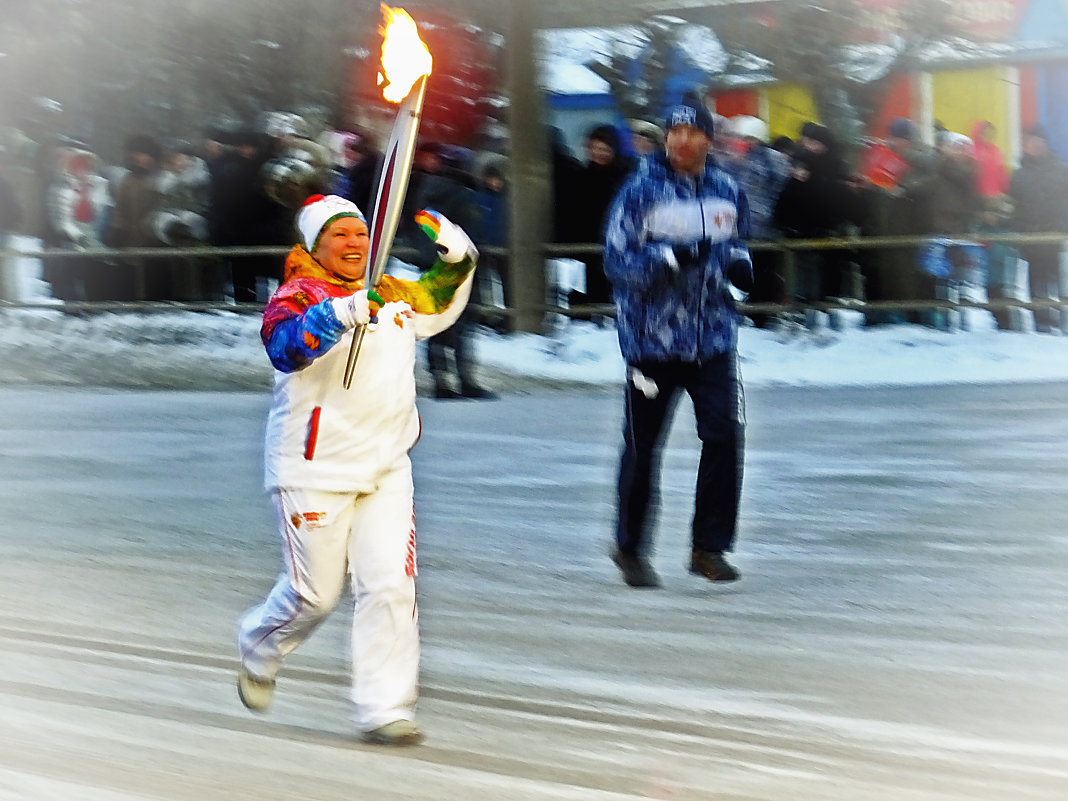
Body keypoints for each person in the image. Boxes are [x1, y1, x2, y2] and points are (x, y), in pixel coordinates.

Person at [236, 193, 479, 746]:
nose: (353, 243)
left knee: (391, 584)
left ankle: (383, 707)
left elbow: (437, 303)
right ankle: (259, 644)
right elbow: (285, 346)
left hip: (387, 466)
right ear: (316, 245)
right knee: (314, 596)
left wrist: (458, 259)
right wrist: (342, 311)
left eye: (360, 233)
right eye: (339, 235)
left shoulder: (390, 294)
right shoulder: (298, 294)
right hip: (312, 468)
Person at [603, 94, 753, 588]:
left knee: (725, 437)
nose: (682, 140)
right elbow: (617, 265)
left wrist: (739, 266)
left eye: (693, 132)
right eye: (675, 132)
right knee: (644, 446)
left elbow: (737, 244)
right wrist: (670, 259)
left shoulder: (728, 190)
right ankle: (630, 548)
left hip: (711, 339)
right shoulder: (640, 192)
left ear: (709, 139)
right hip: (652, 343)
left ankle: (708, 548)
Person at [1009, 125, 1068, 332]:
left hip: (1056, 237)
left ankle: (1064, 323)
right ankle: (1041, 324)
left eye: (1039, 141)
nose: (1035, 145)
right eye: (1031, 141)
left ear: (1045, 144)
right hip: (1030, 238)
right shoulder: (1019, 174)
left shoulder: (1061, 170)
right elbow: (1013, 205)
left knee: (1061, 283)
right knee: (1036, 284)